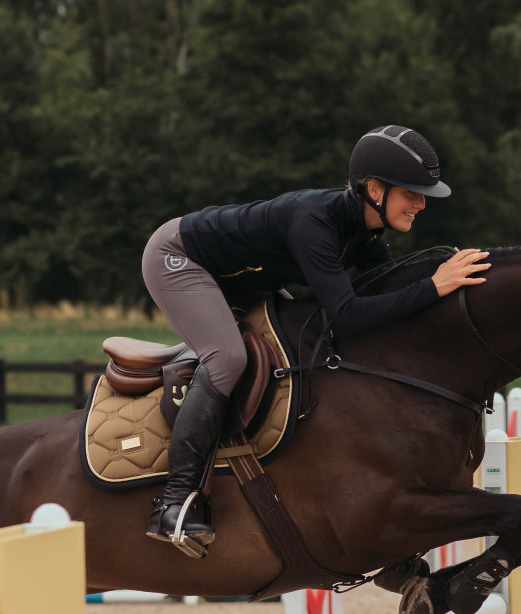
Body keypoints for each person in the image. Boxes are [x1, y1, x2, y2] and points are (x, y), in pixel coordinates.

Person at [141, 124, 491, 557]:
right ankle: (175, 504)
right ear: (374, 190)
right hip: (180, 258)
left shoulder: (366, 232)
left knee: (295, 343)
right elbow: (346, 314)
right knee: (228, 358)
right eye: (411, 193)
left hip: (242, 279)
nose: (421, 204)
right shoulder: (314, 222)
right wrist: (433, 287)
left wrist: (447, 281)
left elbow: (388, 294)